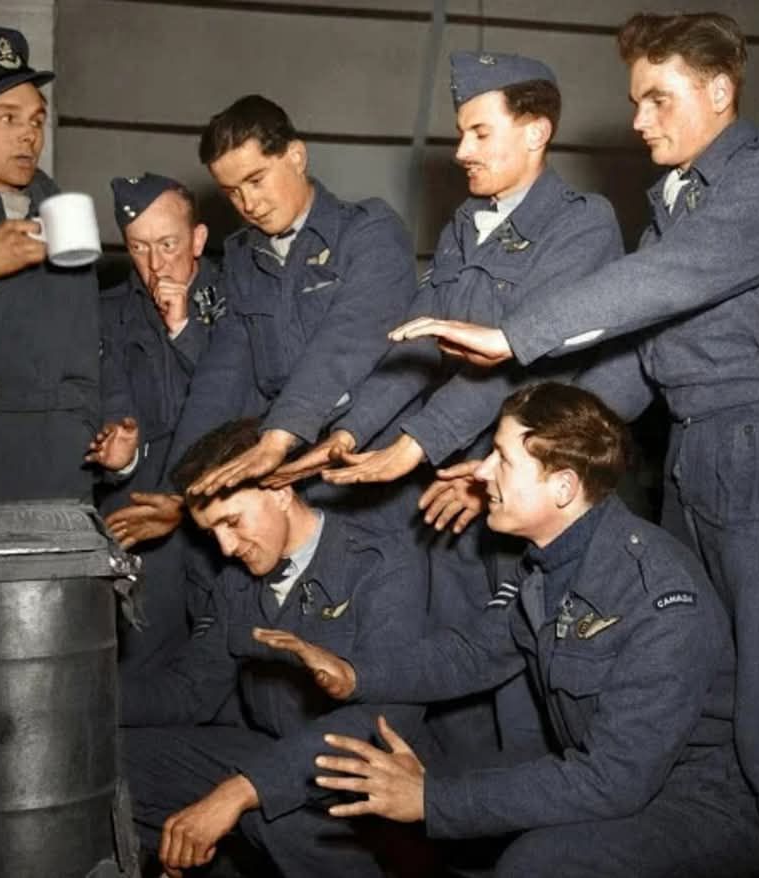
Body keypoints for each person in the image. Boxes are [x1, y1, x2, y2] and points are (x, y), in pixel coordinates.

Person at [384, 12, 759, 869]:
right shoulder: (677, 209)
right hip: (701, 454)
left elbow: (659, 283)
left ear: (720, 92)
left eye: (658, 97)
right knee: (714, 703)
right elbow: (637, 370)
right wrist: (519, 457)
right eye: (636, 100)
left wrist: (513, 335)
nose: (640, 119)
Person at [256, 383, 759, 878]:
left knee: (541, 863)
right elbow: (475, 653)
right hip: (606, 773)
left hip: (695, 804)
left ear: (563, 486)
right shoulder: (554, 562)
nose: (481, 473)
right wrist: (354, 674)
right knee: (401, 775)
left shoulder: (659, 595)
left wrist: (431, 800)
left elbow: (615, 781)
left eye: (501, 458)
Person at [267, 52, 624, 763]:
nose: (462, 151)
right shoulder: (466, 227)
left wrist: (412, 449)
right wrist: (346, 433)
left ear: (535, 133)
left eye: (480, 132)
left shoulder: (583, 225)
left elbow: (521, 362)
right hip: (460, 489)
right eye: (460, 132)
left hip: (541, 489)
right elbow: (415, 348)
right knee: (457, 675)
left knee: (534, 684)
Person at [105, 94, 418, 549]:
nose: (248, 203)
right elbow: (221, 376)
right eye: (232, 191)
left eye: (256, 179)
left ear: (296, 156)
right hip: (286, 482)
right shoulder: (243, 256)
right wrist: (183, 486)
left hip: (370, 478)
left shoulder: (369, 232)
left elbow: (344, 341)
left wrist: (277, 437)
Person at [120, 418, 429, 877]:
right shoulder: (237, 583)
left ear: (281, 492)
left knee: (272, 816)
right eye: (212, 534)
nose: (225, 548)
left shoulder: (380, 563)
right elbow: (192, 690)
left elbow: (383, 716)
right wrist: (86, 701)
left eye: (232, 521)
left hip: (363, 778)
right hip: (275, 758)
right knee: (117, 758)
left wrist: (244, 789)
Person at [0, 26, 100, 504]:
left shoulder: (63, 216)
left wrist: (94, 449)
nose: (29, 136)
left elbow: (86, 366)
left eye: (36, 120)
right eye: (7, 117)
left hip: (47, 492)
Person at [88, 173, 225, 670]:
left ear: (198, 240)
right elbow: (109, 407)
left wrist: (184, 329)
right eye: (138, 247)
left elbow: (241, 400)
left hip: (225, 509)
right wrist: (117, 461)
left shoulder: (241, 298)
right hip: (146, 521)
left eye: (168, 244)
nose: (154, 264)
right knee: (145, 670)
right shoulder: (107, 314)